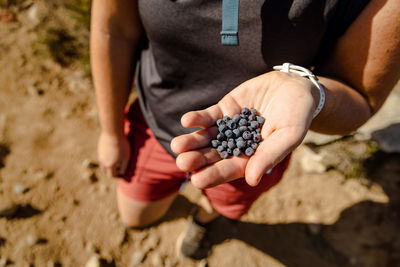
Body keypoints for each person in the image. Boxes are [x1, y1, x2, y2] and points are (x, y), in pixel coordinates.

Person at [90, 0, 400, 259]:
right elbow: (112, 30)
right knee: (136, 216)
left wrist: (311, 92)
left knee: (224, 200)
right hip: (154, 122)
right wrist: (111, 131)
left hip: (258, 151)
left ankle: (204, 218)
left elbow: (360, 96)